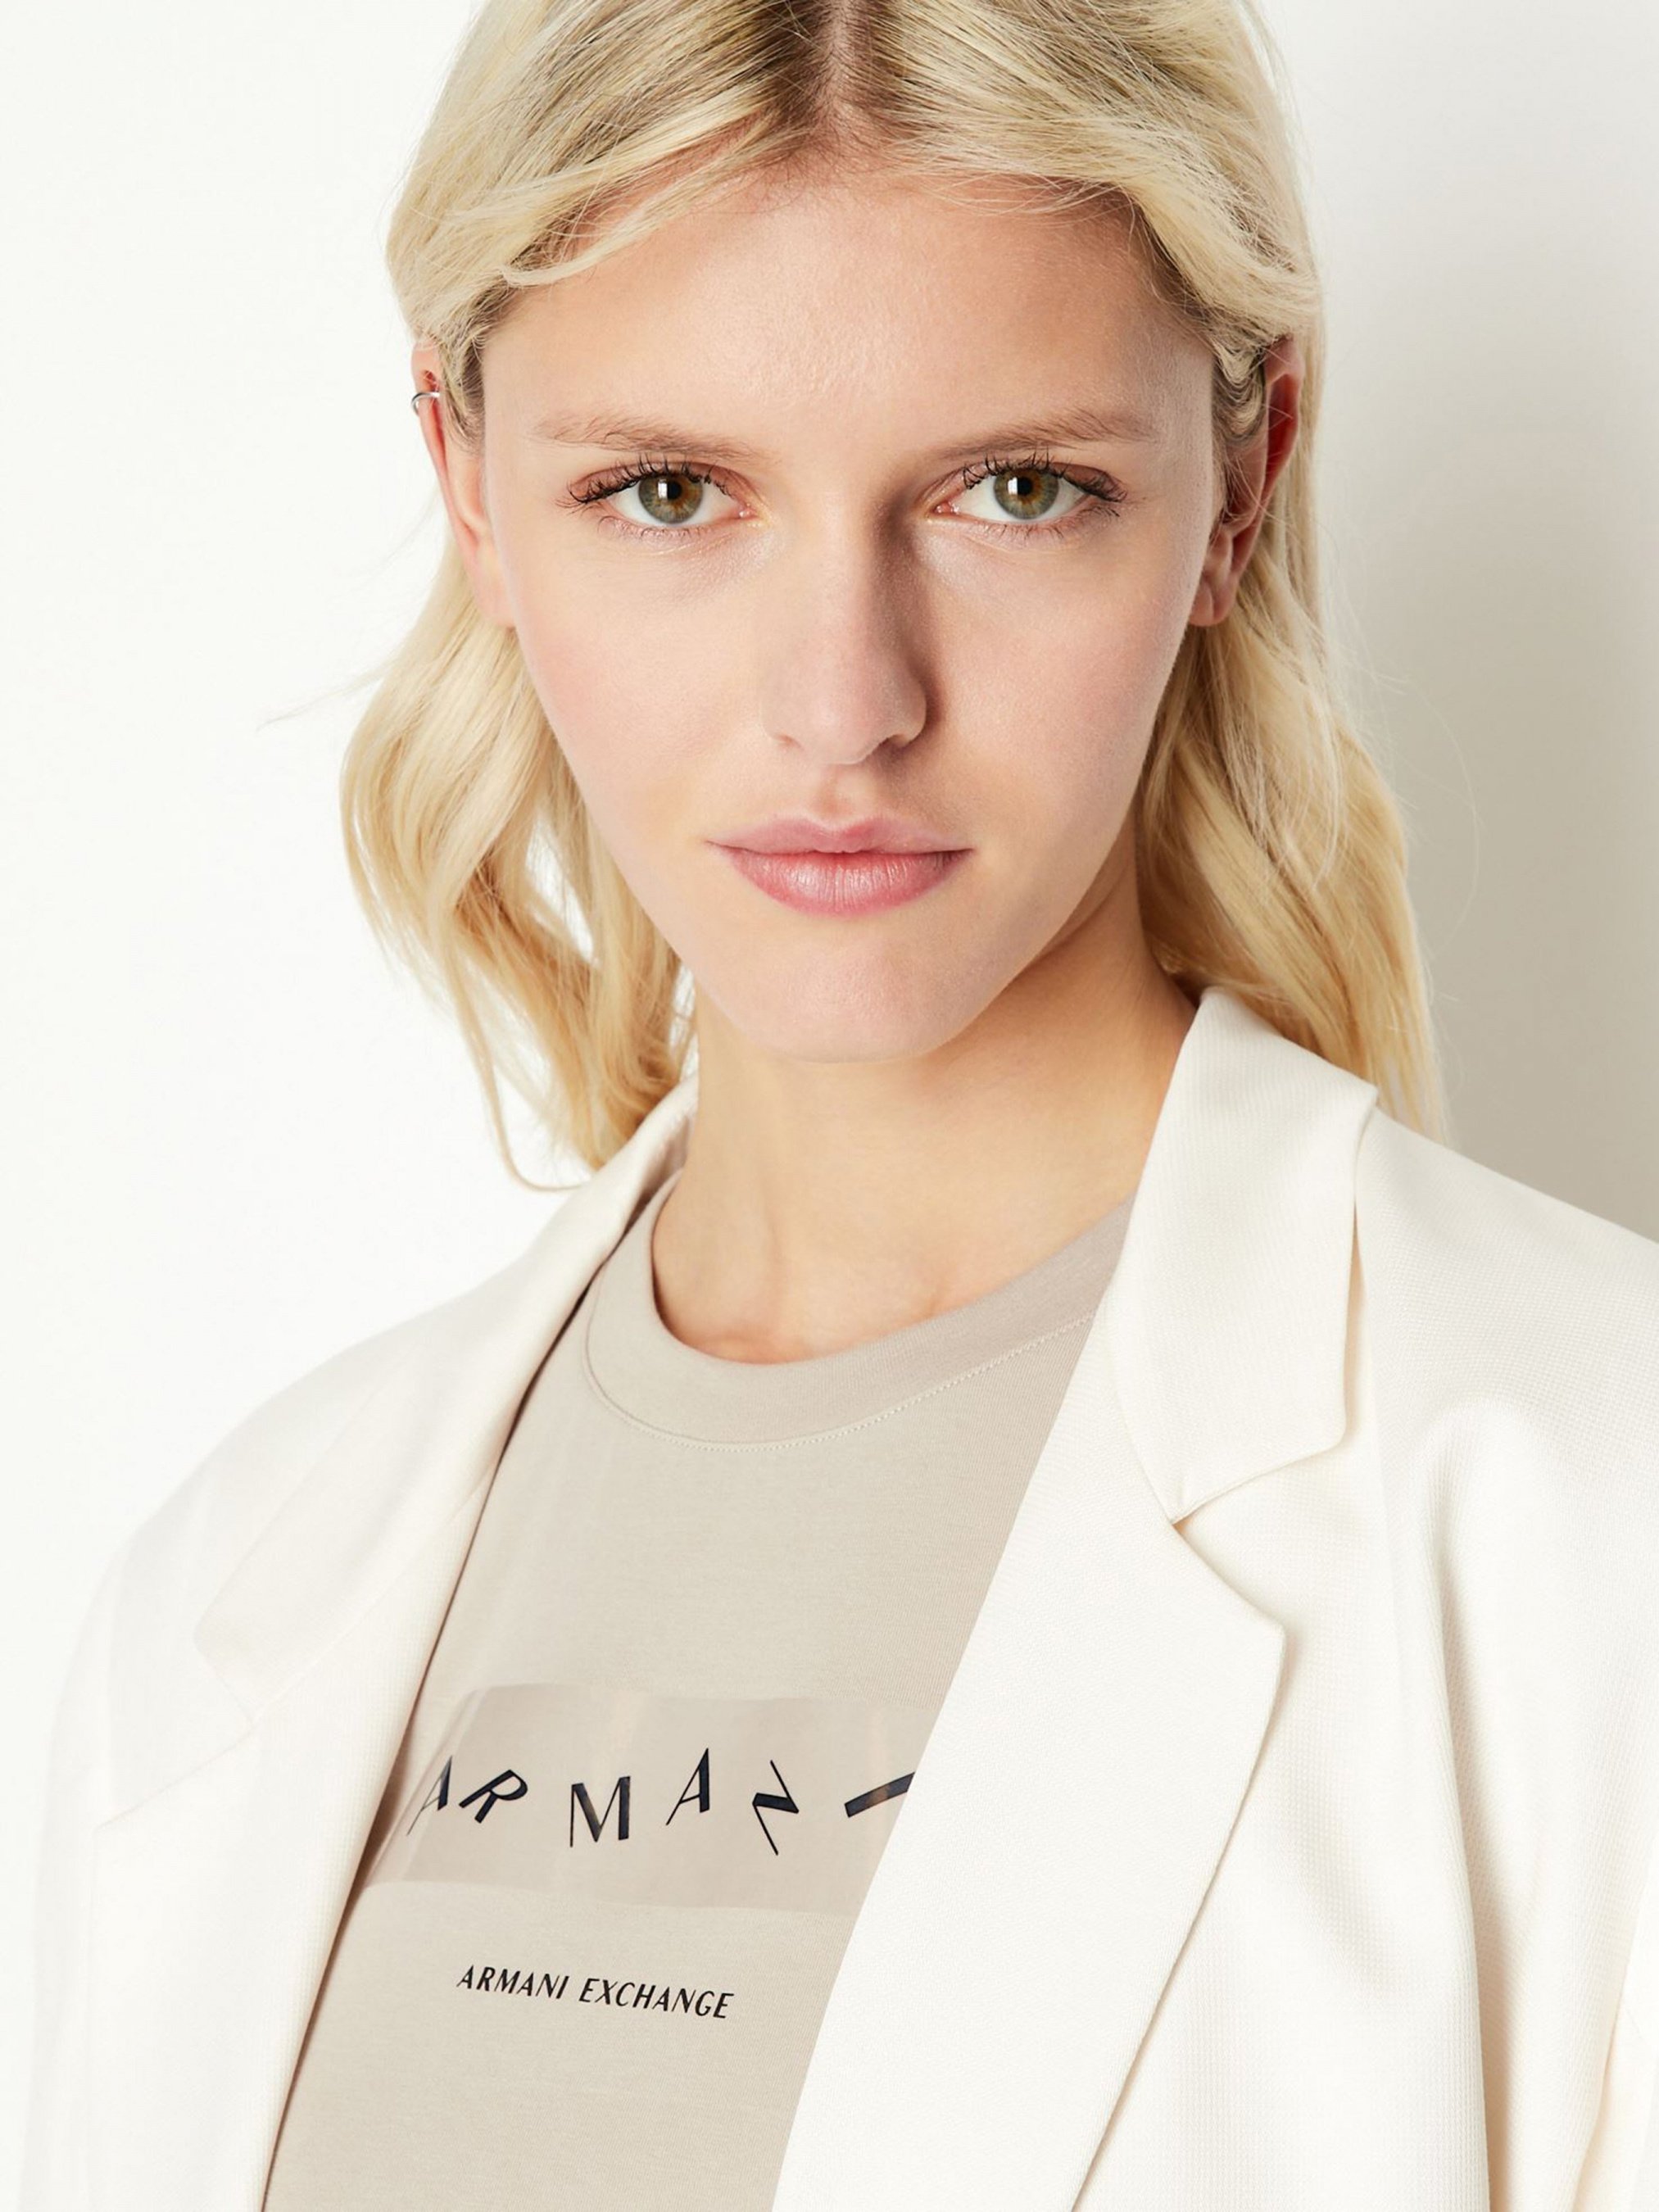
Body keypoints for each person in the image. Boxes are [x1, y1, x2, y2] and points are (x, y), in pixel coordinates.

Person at [21, 0, 1659, 2204]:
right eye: (668, 493)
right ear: (469, 490)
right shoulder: (230, 1588)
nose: (842, 703)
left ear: (1242, 480)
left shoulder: (1593, 1526)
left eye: (1014, 490)